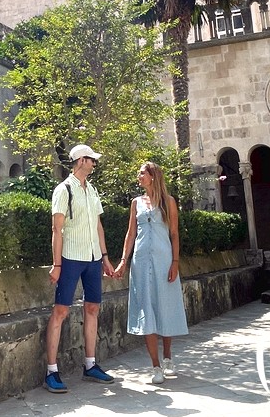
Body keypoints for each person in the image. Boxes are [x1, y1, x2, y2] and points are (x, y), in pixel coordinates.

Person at [44, 144, 117, 393]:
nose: (94, 163)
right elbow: (56, 229)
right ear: (80, 160)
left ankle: (90, 365)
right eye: (91, 160)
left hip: (93, 258)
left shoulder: (92, 190)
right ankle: (51, 371)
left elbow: (98, 226)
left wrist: (105, 258)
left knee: (93, 308)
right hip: (71, 258)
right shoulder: (63, 190)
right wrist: (57, 264)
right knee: (61, 311)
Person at [113, 161, 189, 384]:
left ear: (153, 176)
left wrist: (175, 261)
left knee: (164, 306)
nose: (138, 176)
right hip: (141, 263)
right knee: (146, 309)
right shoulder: (136, 203)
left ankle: (167, 357)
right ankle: (155, 366)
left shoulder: (169, 202)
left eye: (142, 173)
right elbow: (130, 234)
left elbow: (174, 234)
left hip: (164, 261)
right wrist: (123, 261)